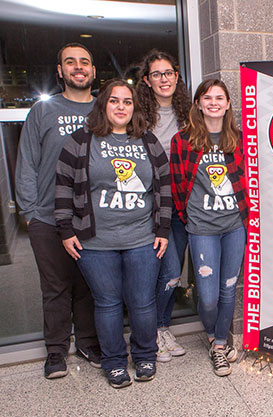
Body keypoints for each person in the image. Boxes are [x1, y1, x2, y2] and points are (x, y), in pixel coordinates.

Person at [55, 79, 172, 388]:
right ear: (103, 105)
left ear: (134, 108)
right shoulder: (80, 141)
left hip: (143, 238)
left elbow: (163, 185)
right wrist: (66, 230)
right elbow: (64, 187)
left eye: (127, 102)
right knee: (107, 303)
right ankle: (115, 362)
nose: (121, 107)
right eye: (114, 101)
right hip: (95, 242)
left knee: (143, 302)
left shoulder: (147, 141)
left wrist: (162, 228)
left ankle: (145, 355)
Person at [15, 42, 100, 379]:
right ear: (60, 71)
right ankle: (55, 351)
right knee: (55, 287)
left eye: (84, 62)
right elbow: (27, 164)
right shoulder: (43, 111)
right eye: (70, 62)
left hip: (92, 218)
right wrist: (31, 212)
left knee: (88, 285)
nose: (78, 67)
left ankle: (88, 342)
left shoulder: (104, 110)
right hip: (47, 217)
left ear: (93, 72)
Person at [169, 79, 249, 377]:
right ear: (199, 104)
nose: (213, 102)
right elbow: (177, 186)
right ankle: (217, 335)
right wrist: (188, 218)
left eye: (220, 97)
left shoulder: (240, 140)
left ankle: (218, 345)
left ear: (228, 104)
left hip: (234, 227)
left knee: (228, 290)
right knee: (208, 295)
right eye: (207, 97)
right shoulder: (183, 141)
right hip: (202, 228)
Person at [137, 49, 192, 361]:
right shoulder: (139, 118)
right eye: (156, 74)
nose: (163, 79)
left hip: (183, 205)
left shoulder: (189, 114)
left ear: (176, 76)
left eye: (168, 72)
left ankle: (161, 328)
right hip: (152, 207)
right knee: (166, 269)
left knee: (173, 272)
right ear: (147, 80)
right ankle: (154, 331)